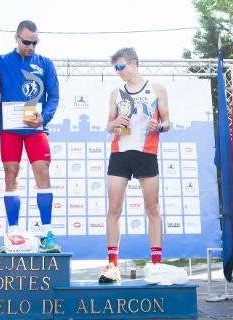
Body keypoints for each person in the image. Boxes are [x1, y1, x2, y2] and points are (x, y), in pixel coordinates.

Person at [0, 20, 61, 253]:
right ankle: (14, 233)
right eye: (26, 42)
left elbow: (54, 96)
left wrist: (43, 118)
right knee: (10, 175)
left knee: (43, 173)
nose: (31, 46)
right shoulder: (0, 62)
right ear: (16, 38)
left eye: (35, 42)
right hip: (9, 129)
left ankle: (47, 233)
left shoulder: (45, 63)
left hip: (35, 129)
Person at [98, 47, 170, 283]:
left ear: (133, 63)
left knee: (153, 207)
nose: (118, 72)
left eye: (120, 67)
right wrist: (115, 122)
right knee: (114, 208)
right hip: (120, 152)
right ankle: (112, 265)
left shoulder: (156, 88)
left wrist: (158, 126)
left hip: (146, 152)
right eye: (115, 69)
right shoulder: (115, 93)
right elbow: (109, 126)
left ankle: (157, 264)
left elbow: (167, 122)